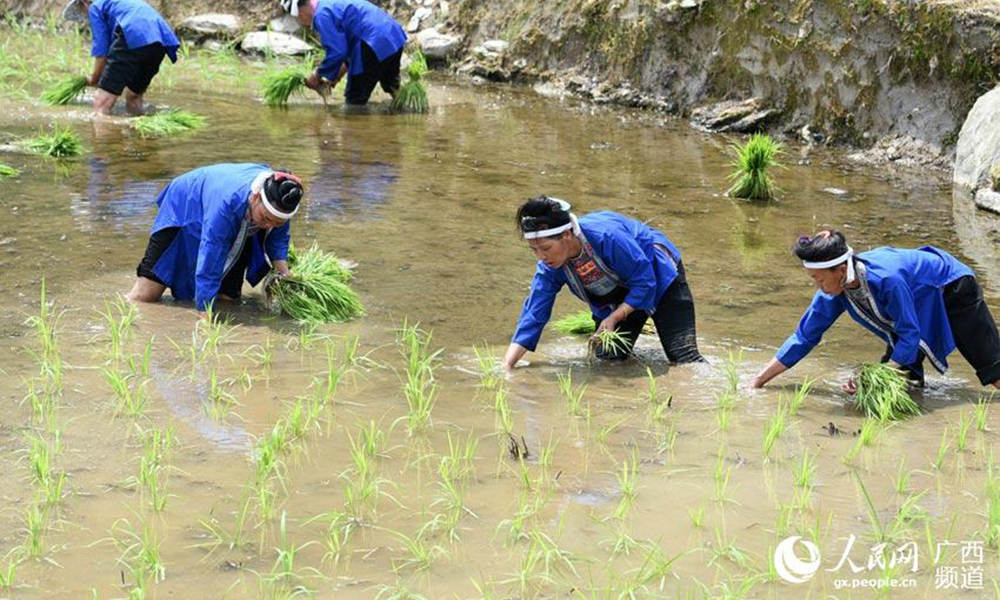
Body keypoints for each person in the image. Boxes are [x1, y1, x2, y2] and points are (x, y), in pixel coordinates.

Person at [751, 229, 1000, 390]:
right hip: (915, 301)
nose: (818, 286)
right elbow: (804, 337)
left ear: (841, 270)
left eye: (819, 279)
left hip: (950, 285)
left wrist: (874, 377)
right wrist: (758, 381)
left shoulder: (887, 280)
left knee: (992, 368)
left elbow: (909, 333)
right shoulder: (833, 291)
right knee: (903, 383)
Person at [503, 196, 705, 370]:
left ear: (566, 235)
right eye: (534, 250)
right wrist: (507, 366)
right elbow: (534, 314)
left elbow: (645, 282)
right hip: (617, 293)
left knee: (684, 357)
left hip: (658, 275)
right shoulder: (550, 267)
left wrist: (614, 318)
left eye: (546, 248)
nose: (541, 256)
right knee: (607, 361)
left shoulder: (608, 237)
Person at [127, 163, 304, 314]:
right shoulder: (226, 203)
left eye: (276, 222)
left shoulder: (281, 200)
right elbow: (210, 258)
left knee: (228, 299)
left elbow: (278, 237)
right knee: (146, 295)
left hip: (243, 219)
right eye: (266, 219)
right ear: (255, 197)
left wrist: (284, 274)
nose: (268, 226)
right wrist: (204, 312)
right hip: (185, 208)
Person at [63, 0, 179, 116]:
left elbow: (101, 50)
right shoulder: (118, 3)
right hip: (160, 41)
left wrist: (94, 78)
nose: (86, 16)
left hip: (133, 33)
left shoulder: (95, 7)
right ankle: (138, 122)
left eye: (82, 11)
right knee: (133, 96)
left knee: (101, 101)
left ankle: (104, 126)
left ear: (84, 3)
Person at [282, 0, 407, 105]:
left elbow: (337, 52)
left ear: (300, 12)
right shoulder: (329, 4)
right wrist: (337, 76)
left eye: (297, 18)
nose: (300, 21)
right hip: (393, 35)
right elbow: (348, 46)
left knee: (354, 99)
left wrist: (317, 75)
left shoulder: (321, 15)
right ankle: (407, 108)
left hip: (373, 41)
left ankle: (352, 123)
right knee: (391, 84)